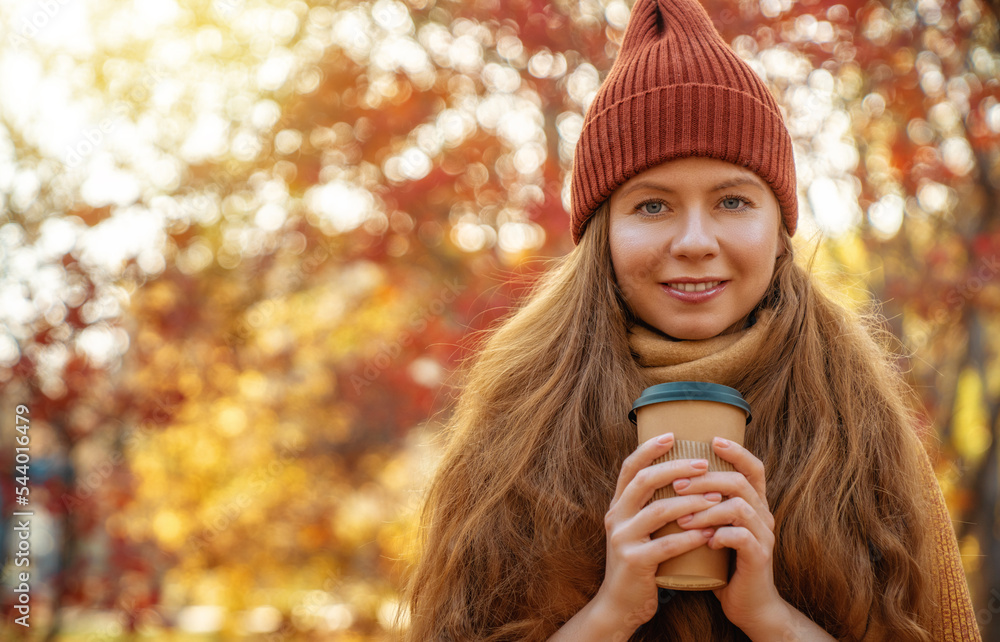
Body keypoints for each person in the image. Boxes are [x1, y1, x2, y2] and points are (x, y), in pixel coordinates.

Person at [400, 0, 981, 640]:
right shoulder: (513, 429)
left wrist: (770, 618)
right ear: (603, 233)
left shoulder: (859, 420)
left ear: (780, 228)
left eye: (733, 200)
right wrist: (609, 613)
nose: (695, 241)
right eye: (652, 206)